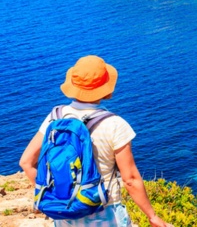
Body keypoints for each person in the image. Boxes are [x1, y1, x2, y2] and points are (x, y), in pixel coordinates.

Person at [20, 55, 174, 227]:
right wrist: (152, 217)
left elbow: (26, 162)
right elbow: (130, 179)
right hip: (105, 212)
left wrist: (54, 195)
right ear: (106, 87)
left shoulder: (55, 117)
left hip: (65, 214)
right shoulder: (115, 124)